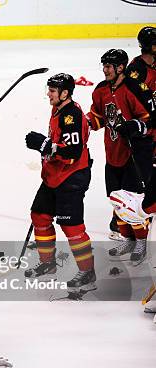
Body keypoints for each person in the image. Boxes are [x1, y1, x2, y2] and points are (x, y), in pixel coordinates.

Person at [24, 74, 95, 292]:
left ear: (65, 93)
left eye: (53, 90)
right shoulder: (59, 110)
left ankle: (87, 272)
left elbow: (73, 152)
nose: (49, 93)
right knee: (40, 215)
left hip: (72, 176)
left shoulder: (71, 115)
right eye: (49, 89)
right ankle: (48, 264)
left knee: (71, 226)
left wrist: (44, 145)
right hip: (55, 175)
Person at [87, 49, 151, 266]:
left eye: (108, 66)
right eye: (103, 66)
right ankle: (128, 240)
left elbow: (149, 119)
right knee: (116, 201)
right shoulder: (101, 90)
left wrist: (135, 125)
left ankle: (141, 242)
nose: (105, 70)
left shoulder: (134, 88)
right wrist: (83, 123)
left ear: (120, 67)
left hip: (133, 155)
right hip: (112, 153)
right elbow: (96, 118)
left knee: (132, 203)